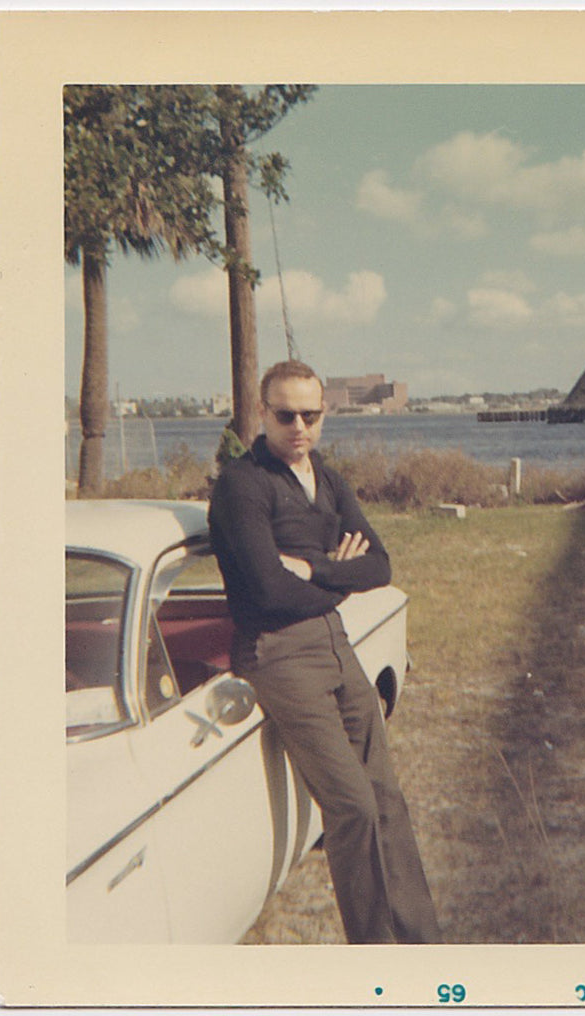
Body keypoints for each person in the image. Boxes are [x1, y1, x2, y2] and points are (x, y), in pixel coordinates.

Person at [208, 359, 440, 944]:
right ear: (262, 413)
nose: (299, 428)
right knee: (353, 805)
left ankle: (421, 942)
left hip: (334, 640)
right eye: (285, 415)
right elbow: (265, 586)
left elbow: (380, 565)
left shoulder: (329, 480)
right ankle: (376, 955)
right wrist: (340, 573)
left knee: (385, 795)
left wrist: (315, 567)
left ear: (323, 414)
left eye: (310, 415)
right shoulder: (243, 484)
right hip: (278, 652)